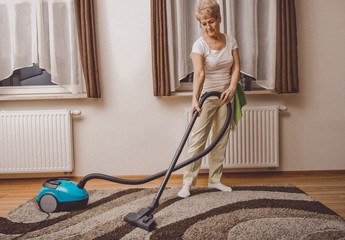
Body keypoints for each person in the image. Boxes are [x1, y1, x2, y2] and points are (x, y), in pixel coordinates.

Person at [178, 0, 241, 198]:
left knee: (220, 140)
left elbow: (236, 67)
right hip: (207, 98)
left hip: (226, 97)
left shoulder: (230, 40)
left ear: (219, 19)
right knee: (197, 140)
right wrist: (195, 100)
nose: (208, 27)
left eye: (211, 22)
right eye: (203, 23)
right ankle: (187, 183)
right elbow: (199, 74)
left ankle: (215, 180)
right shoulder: (199, 45)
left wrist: (231, 88)